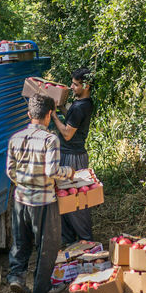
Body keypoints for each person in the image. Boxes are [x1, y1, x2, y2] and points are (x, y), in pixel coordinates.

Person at [6, 94, 75, 293]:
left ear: (29, 114)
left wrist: (25, 183)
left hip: (20, 199)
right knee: (47, 245)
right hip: (44, 202)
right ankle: (41, 289)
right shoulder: (50, 139)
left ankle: (16, 277)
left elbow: (10, 171)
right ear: (49, 114)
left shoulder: (15, 138)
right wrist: (69, 172)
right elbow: (52, 171)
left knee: (20, 241)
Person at [51, 67, 95, 245]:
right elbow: (71, 119)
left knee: (74, 198)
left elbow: (68, 134)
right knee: (64, 196)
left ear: (86, 85)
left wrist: (53, 115)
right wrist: (61, 107)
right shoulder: (84, 104)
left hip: (72, 156)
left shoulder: (80, 107)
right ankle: (69, 239)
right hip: (72, 154)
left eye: (75, 85)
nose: (72, 87)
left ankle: (85, 239)